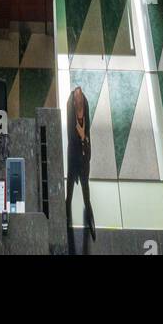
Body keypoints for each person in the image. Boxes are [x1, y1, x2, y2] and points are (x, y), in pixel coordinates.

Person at [65, 85, 95, 239]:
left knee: (85, 186)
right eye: (79, 111)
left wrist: (84, 138)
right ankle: (67, 209)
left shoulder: (86, 107)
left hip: (83, 157)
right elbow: (72, 138)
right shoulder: (71, 110)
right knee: (69, 185)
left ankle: (88, 211)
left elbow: (87, 131)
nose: (81, 114)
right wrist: (82, 138)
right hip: (73, 156)